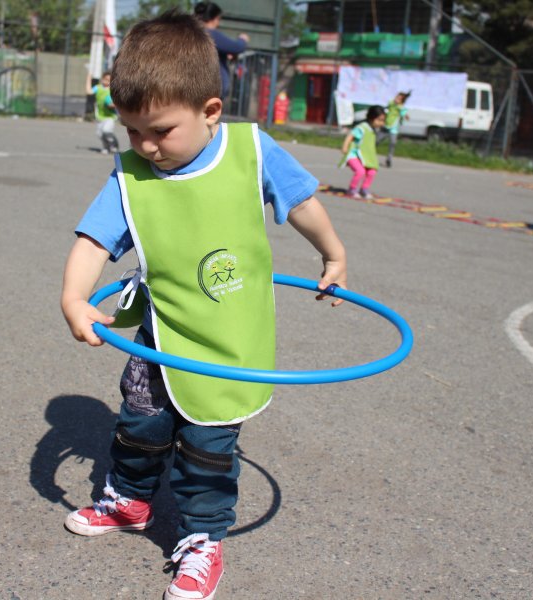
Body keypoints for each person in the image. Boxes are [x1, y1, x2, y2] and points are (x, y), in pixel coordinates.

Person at [60, 10, 347, 600]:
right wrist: (74, 296)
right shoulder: (131, 175)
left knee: (207, 446)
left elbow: (300, 203)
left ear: (210, 110)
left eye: (160, 131)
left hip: (229, 340)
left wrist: (333, 253)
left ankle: (202, 539)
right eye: (131, 130)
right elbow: (94, 241)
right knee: (139, 425)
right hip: (160, 333)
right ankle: (129, 500)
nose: (145, 145)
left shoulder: (251, 151)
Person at [194, 2, 248, 99]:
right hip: (211, 88)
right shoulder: (210, 33)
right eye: (219, 19)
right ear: (214, 18)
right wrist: (242, 39)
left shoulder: (194, 33)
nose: (218, 23)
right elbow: (237, 47)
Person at [340, 105, 386, 199]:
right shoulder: (362, 128)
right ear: (372, 117)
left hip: (365, 157)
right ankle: (352, 189)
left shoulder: (373, 130)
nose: (381, 123)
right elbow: (350, 135)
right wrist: (345, 147)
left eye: (383, 120)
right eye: (379, 120)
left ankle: (364, 189)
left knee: (372, 171)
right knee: (360, 171)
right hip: (354, 155)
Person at [85, 70, 119, 154]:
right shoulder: (98, 88)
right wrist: (88, 78)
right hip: (100, 116)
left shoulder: (112, 90)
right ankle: (106, 147)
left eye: (109, 80)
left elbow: (116, 102)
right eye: (105, 79)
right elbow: (89, 91)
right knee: (100, 134)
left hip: (110, 116)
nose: (107, 81)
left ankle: (114, 144)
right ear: (102, 79)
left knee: (106, 130)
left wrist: (113, 105)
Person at [380, 91, 410, 168]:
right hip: (385, 126)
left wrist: (406, 116)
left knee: (392, 143)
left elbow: (404, 113)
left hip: (393, 128)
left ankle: (389, 159)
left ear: (402, 101)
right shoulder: (391, 103)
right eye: (397, 97)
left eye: (399, 99)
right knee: (376, 140)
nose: (396, 99)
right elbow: (386, 109)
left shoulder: (401, 107)